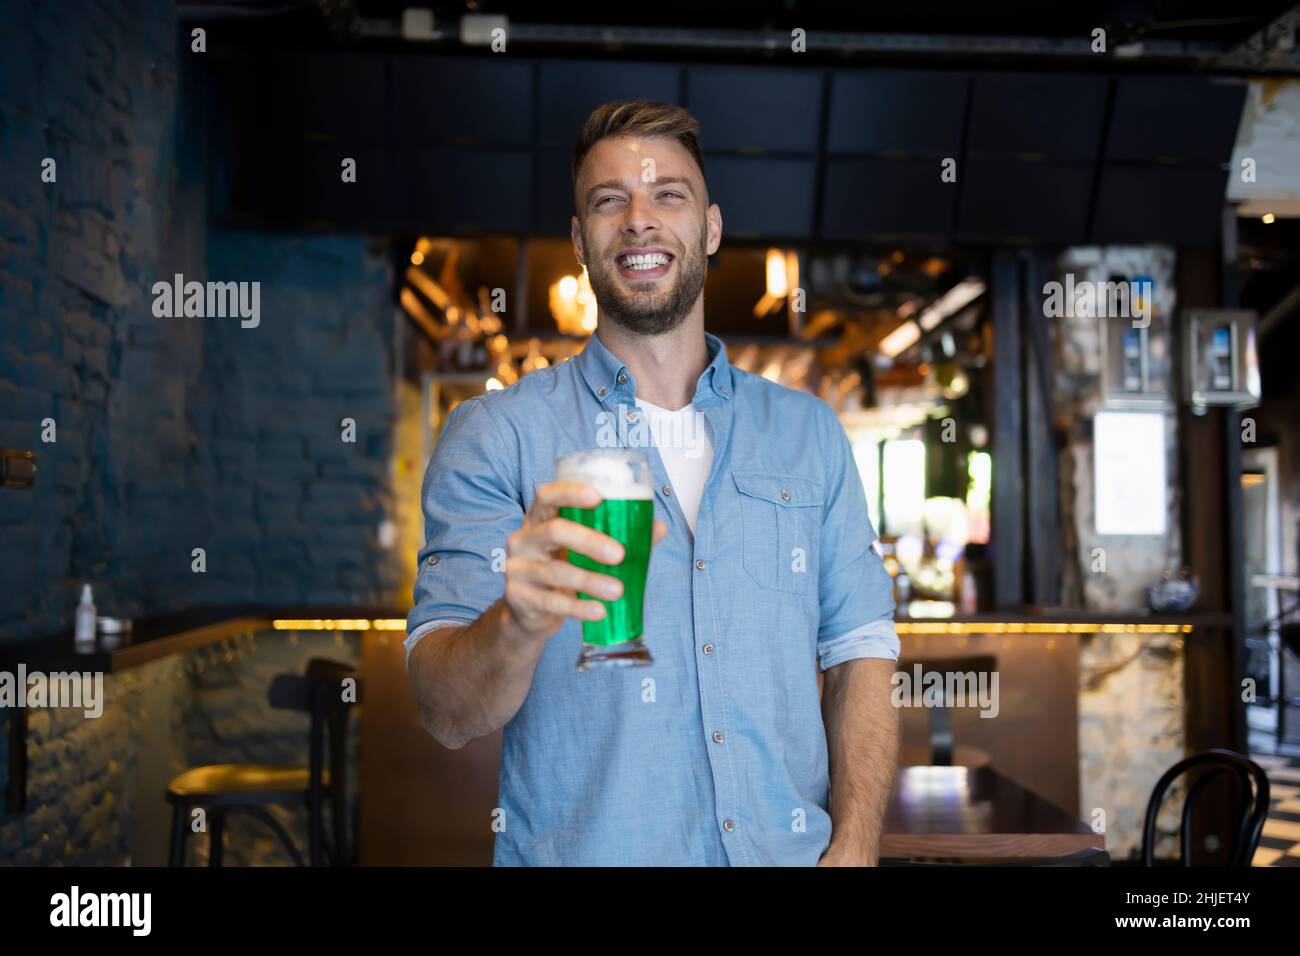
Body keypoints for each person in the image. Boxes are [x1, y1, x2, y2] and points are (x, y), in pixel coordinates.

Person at [405, 100, 900, 866]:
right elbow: (445, 713)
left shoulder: (808, 434)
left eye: (668, 194)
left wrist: (858, 845)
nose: (640, 219)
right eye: (610, 200)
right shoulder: (497, 435)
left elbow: (860, 647)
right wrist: (518, 620)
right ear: (579, 240)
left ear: (709, 228)